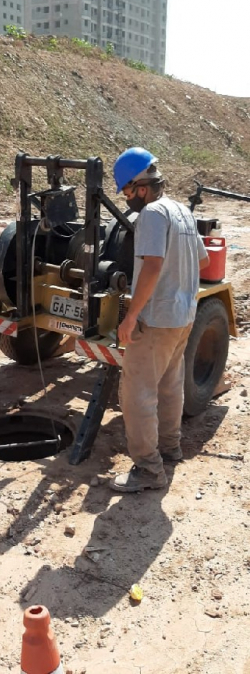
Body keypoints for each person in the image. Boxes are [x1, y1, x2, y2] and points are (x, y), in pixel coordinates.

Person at [110, 146, 209, 493]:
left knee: (136, 394)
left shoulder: (151, 214)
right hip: (183, 316)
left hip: (156, 319)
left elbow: (151, 266)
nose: (126, 200)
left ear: (140, 186)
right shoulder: (182, 210)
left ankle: (149, 469)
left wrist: (131, 315)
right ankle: (170, 449)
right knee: (170, 387)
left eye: (126, 191)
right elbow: (202, 260)